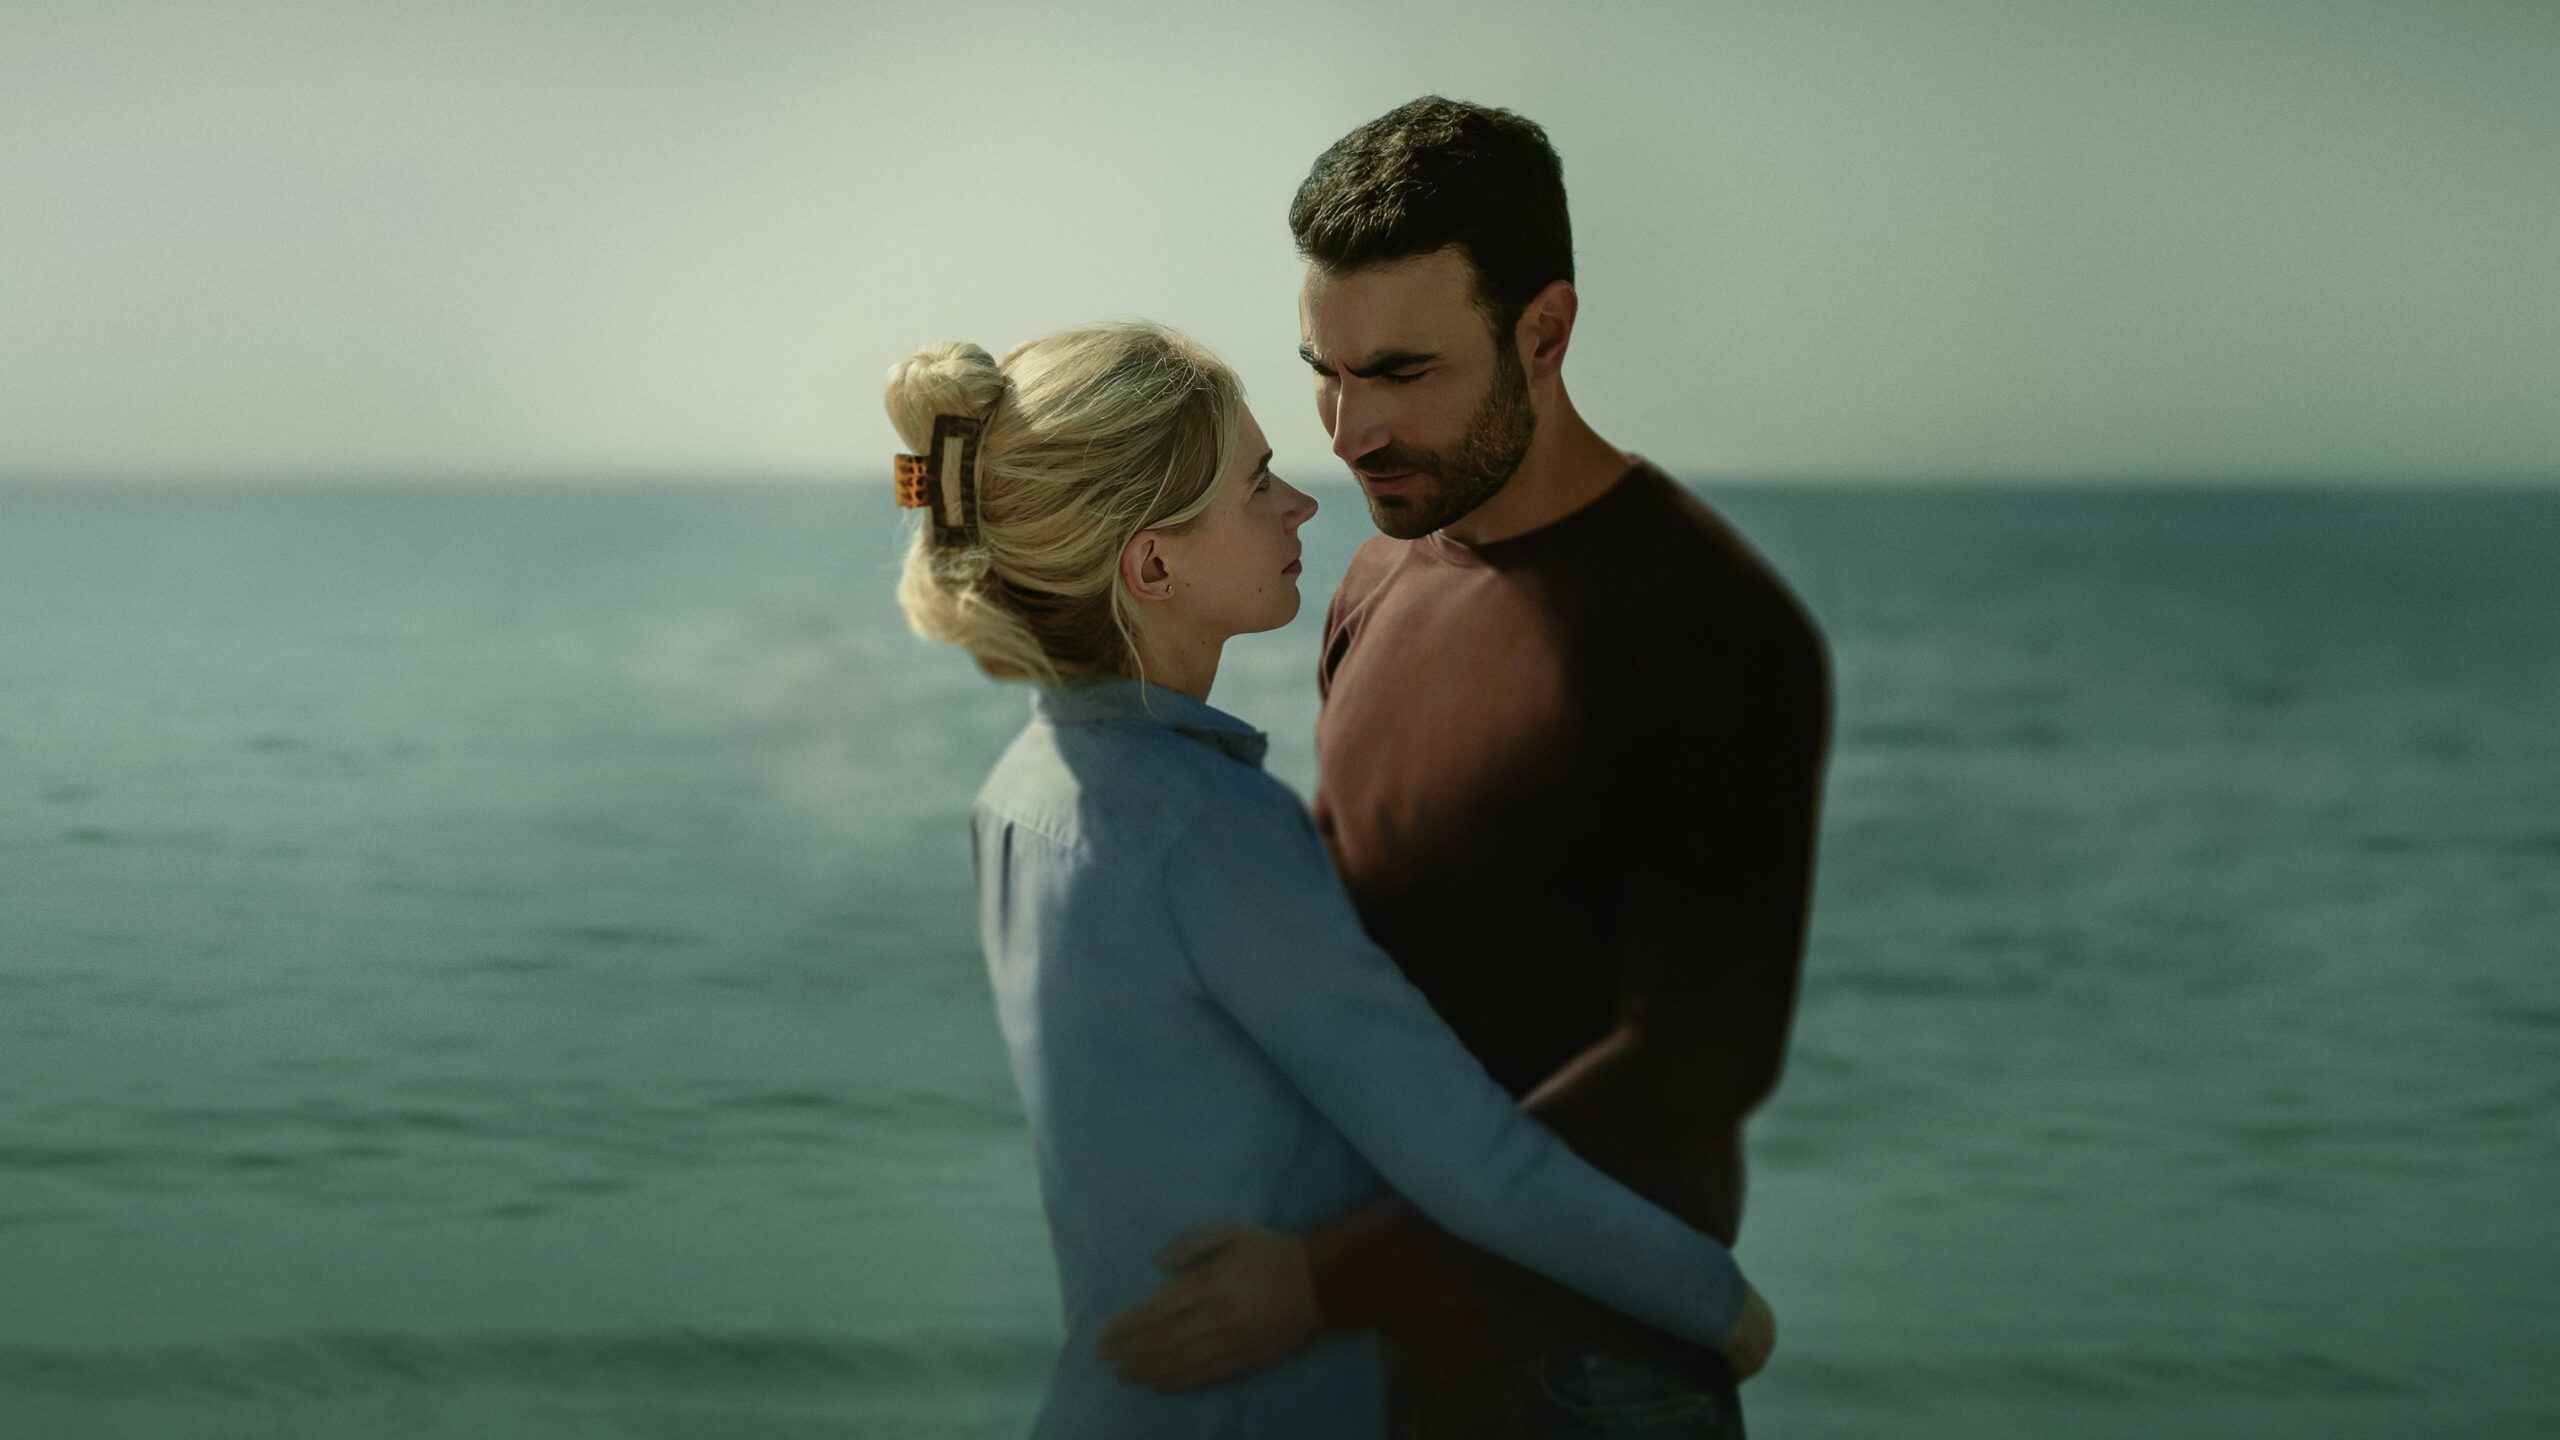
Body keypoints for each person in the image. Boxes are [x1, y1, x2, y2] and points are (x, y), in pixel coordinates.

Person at [889, 320, 1775, 1439]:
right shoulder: (1213, 832)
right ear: (1151, 567)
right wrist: (1716, 1302)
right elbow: (1468, 1157)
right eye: (1257, 485)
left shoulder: (1022, 790)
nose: (1303, 506)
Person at [1097, 99, 1834, 1438]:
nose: (1348, 430)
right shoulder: (1374, 579)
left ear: (1544, 332)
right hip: (1367, 1367)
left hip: (1588, 1376)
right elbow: (1359, 956)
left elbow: (1690, 1061)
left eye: (1401, 372)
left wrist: (1324, 1277)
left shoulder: (1707, 625)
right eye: (1325, 372)